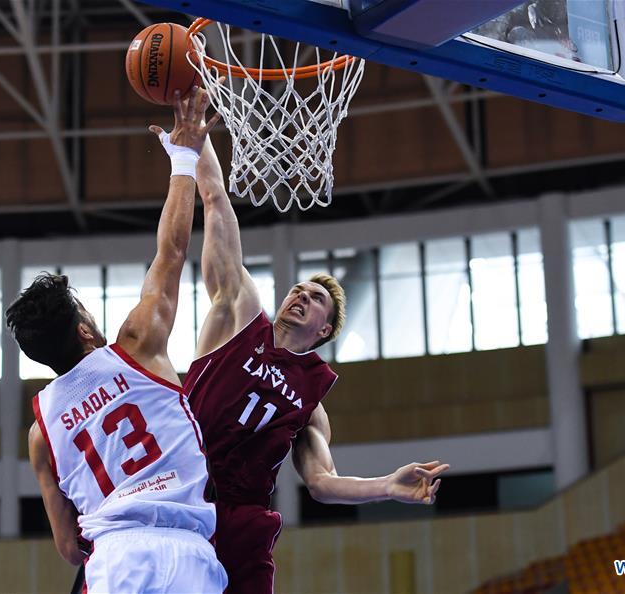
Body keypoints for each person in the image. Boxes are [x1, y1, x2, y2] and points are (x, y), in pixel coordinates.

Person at [184, 133, 450, 594]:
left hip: (242, 519)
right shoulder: (238, 316)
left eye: (316, 298)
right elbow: (215, 198)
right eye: (299, 290)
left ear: (325, 330)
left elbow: (322, 482)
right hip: (182, 491)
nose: (301, 296)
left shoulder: (311, 401)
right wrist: (194, 136)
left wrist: (387, 485)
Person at [11, 87, 226, 594]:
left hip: (116, 561)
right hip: (189, 548)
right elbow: (171, 252)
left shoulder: (41, 434)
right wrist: (182, 157)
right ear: (85, 330)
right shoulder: (136, 345)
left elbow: (68, 547)